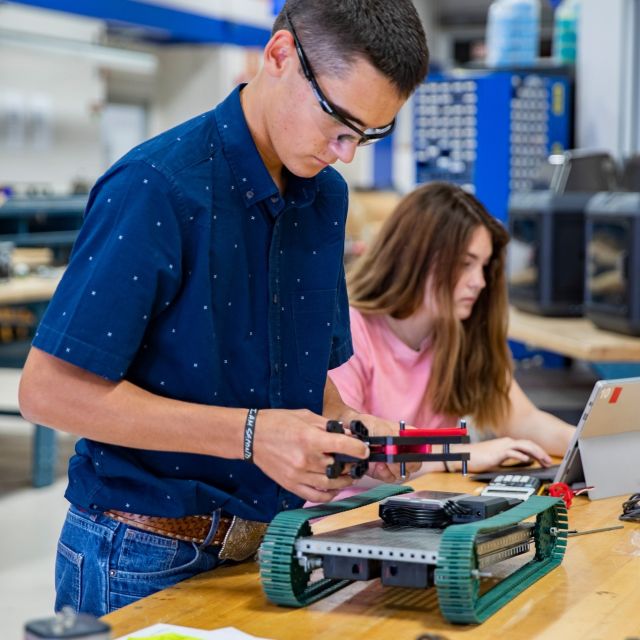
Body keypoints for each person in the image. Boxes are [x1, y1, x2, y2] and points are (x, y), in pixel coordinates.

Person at [17, 0, 429, 616]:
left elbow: (312, 381)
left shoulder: (324, 199)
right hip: (141, 553)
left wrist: (349, 431)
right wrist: (252, 434)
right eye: (339, 121)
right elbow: (48, 392)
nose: (346, 151)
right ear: (280, 56)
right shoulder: (156, 187)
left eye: (369, 133)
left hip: (272, 548)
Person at [329, 181, 575, 473]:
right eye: (465, 263)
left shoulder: (457, 332)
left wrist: (588, 443)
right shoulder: (350, 331)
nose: (479, 282)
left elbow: (524, 420)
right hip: (349, 515)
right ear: (415, 258)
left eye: (483, 266)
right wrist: (459, 455)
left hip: (428, 509)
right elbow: (347, 460)